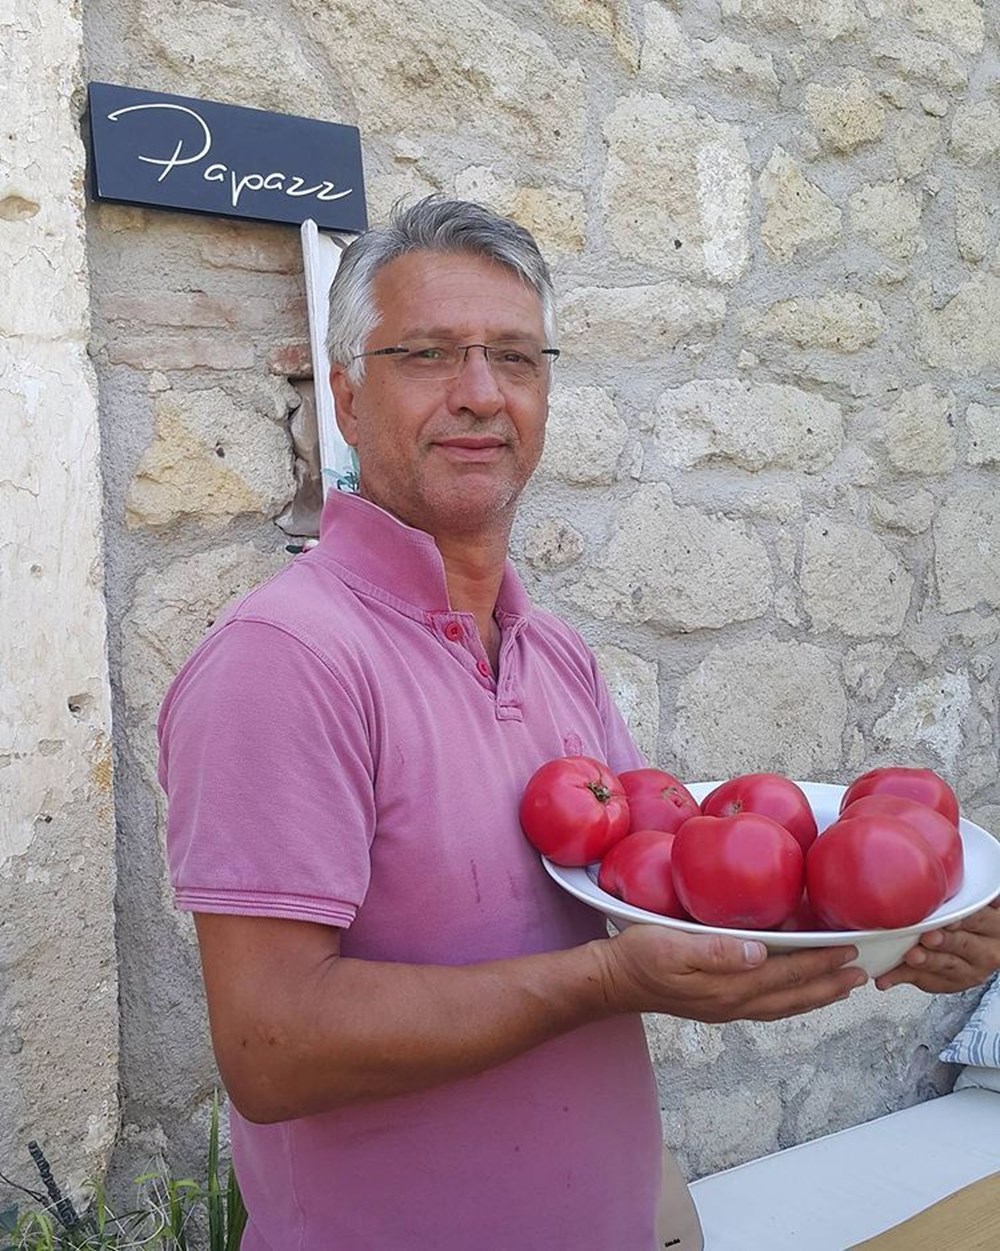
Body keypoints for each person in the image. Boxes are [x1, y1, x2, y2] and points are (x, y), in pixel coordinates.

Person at [158, 197, 1000, 1251]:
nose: (478, 393)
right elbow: (270, 1048)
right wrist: (597, 983)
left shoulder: (554, 653)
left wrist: (903, 937)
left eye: (514, 358)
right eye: (426, 354)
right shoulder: (286, 660)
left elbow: (658, 907)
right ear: (346, 395)